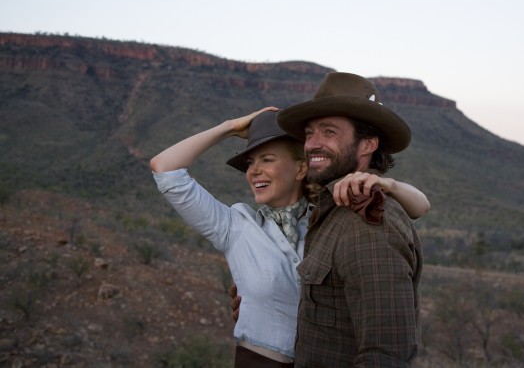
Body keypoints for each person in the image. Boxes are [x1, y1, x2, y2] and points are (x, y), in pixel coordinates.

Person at [149, 107, 429, 368]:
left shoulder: (327, 220)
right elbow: (165, 169)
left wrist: (389, 185)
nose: (253, 171)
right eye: (250, 163)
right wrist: (230, 127)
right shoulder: (235, 226)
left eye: (267, 160)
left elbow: (419, 207)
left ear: (300, 168)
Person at [276, 72, 424, 367]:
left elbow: (385, 356)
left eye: (328, 132)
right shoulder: (333, 209)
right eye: (309, 133)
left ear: (367, 144)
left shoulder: (368, 221)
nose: (312, 144)